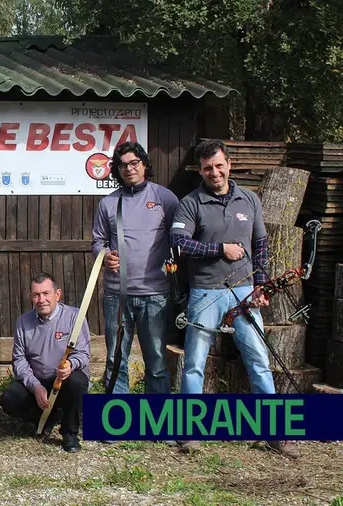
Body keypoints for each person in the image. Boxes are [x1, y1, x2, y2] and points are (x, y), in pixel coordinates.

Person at [170, 139, 299, 459]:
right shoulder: (190, 203)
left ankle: (274, 434)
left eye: (218, 165)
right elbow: (179, 244)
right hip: (205, 293)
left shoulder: (250, 200)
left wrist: (261, 286)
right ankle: (189, 432)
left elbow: (260, 246)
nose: (214, 172)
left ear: (229, 164)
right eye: (206, 168)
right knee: (195, 364)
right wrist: (219, 249)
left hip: (245, 293)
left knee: (258, 360)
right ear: (200, 171)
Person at [92, 141, 177, 395]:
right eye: (122, 165)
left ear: (144, 165)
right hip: (118, 295)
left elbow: (180, 238)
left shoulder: (164, 198)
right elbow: (97, 241)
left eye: (134, 163)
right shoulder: (108, 203)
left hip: (155, 294)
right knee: (116, 359)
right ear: (116, 170)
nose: (129, 169)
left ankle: (158, 423)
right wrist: (105, 256)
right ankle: (118, 421)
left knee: (158, 363)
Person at [0, 274, 90, 453]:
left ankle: (69, 432)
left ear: (57, 294)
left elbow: (83, 354)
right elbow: (19, 360)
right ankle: (46, 418)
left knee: (77, 381)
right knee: (9, 398)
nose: (41, 300)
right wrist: (35, 386)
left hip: (65, 379)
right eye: (36, 295)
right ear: (31, 297)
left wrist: (70, 365)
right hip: (38, 382)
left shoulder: (75, 316)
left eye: (46, 294)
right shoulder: (23, 321)